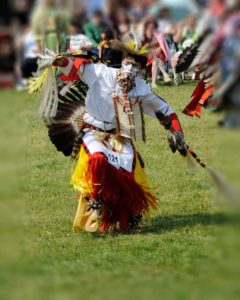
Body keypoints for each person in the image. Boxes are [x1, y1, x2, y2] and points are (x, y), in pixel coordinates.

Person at [48, 40, 188, 233]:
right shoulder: (101, 73)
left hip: (119, 135)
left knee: (127, 172)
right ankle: (95, 203)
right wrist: (63, 62)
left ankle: (128, 214)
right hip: (93, 130)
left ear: (141, 70)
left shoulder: (142, 90)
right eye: (128, 62)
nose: (130, 69)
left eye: (136, 66)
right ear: (122, 62)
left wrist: (177, 132)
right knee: (97, 158)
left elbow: (165, 110)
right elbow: (75, 69)